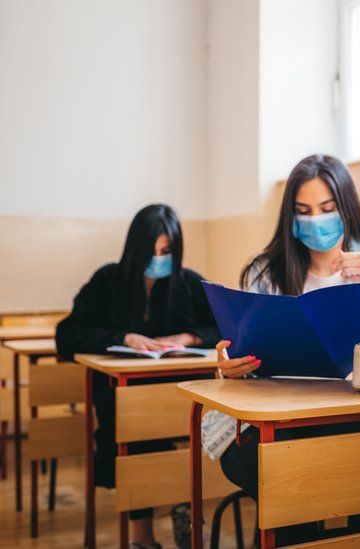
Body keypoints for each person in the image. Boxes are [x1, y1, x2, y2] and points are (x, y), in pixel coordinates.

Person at [214, 154, 360, 543]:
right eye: (303, 211)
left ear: (346, 208)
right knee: (284, 475)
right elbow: (240, 346)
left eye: (326, 209)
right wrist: (229, 365)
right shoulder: (265, 270)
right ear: (290, 216)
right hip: (282, 420)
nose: (315, 220)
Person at [56, 204, 219, 549]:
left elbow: (224, 326)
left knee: (200, 433)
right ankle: (142, 537)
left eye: (167, 251)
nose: (160, 258)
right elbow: (67, 334)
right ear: (135, 248)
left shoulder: (187, 281)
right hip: (125, 399)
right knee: (137, 434)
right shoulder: (107, 280)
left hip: (182, 394)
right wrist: (123, 337)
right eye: (152, 251)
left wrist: (189, 337)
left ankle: (188, 511)